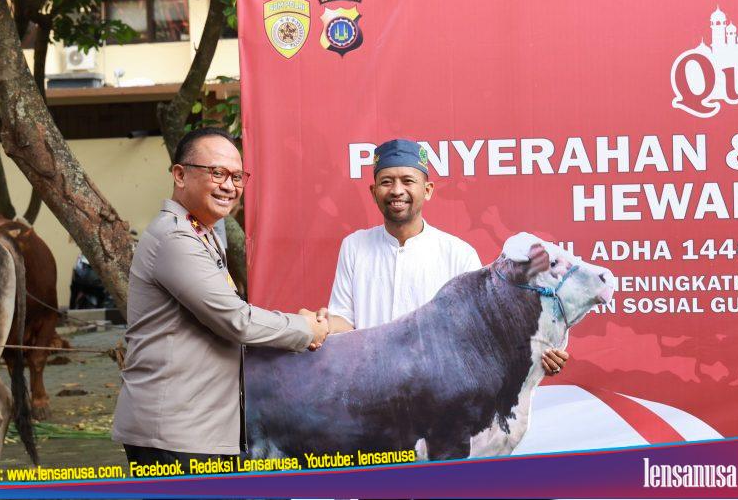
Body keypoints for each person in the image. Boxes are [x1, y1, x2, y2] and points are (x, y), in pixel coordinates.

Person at [112, 127, 328, 471]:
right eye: (217, 173)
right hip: (175, 433)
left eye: (237, 176)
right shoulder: (175, 238)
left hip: (196, 428)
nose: (230, 186)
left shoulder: (204, 233)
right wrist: (305, 328)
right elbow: (235, 321)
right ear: (180, 175)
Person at [324, 138, 568, 376]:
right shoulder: (355, 246)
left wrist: (536, 354)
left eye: (408, 181)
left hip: (436, 394)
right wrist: (320, 326)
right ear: (373, 191)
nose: (397, 190)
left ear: (427, 190)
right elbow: (345, 323)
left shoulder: (458, 254)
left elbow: (481, 332)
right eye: (387, 182)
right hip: (370, 386)